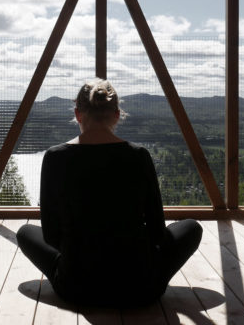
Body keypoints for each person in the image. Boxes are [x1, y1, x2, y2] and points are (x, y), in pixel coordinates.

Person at [16, 79, 202, 308]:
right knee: (191, 227)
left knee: (26, 232)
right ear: (117, 115)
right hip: (141, 288)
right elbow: (157, 233)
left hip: (76, 288)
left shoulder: (55, 157)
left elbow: (51, 235)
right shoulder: (138, 156)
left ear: (77, 114)